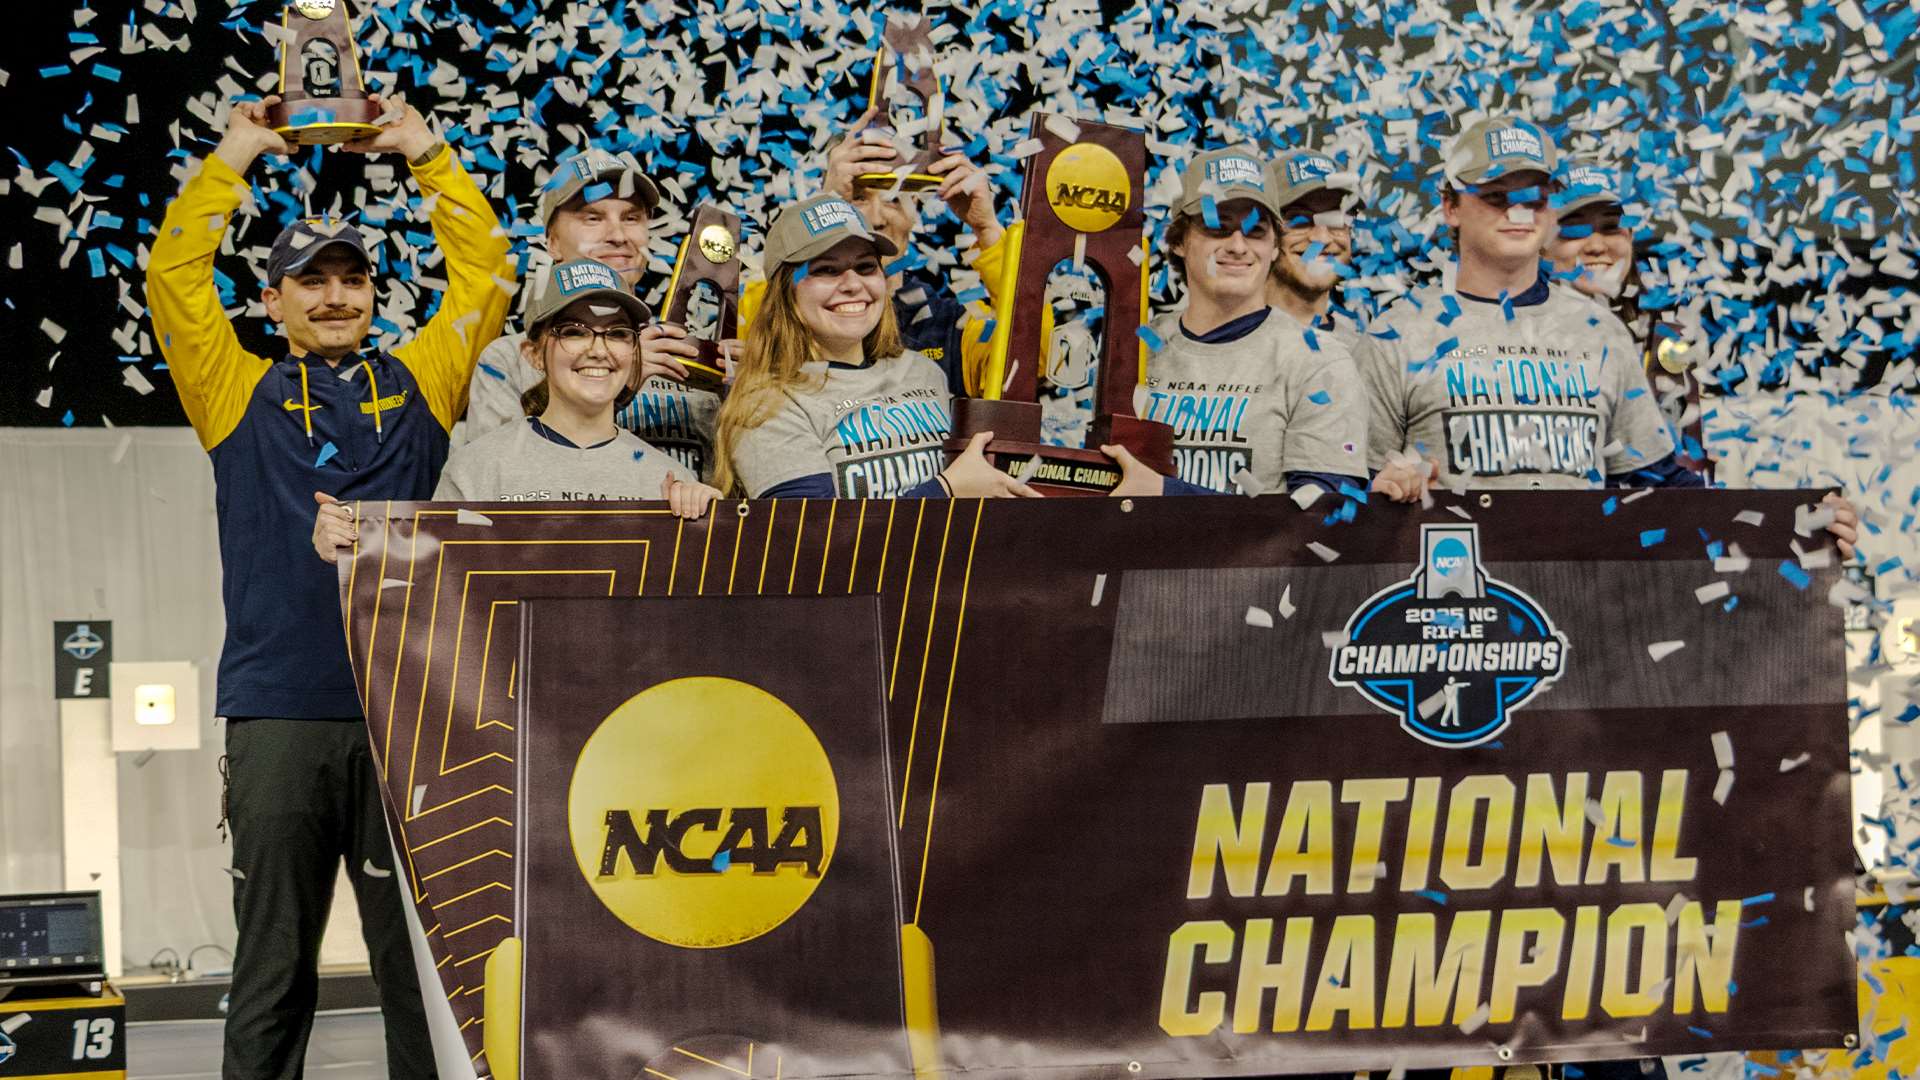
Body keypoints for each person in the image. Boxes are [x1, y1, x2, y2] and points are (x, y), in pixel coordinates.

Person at [147, 92, 512, 1077]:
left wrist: (423, 149)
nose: (335, 297)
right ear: (272, 303)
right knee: (271, 967)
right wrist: (235, 152)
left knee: (418, 971)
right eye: (310, 282)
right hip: (279, 716)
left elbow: (485, 270)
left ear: (376, 296)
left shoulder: (426, 380)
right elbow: (174, 279)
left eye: (353, 279)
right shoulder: (232, 391)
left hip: (411, 717)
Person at [1357, 117, 1705, 500]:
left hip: (1571, 542)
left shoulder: (1601, 330)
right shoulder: (1395, 335)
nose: (1518, 213)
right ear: (1451, 207)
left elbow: (1659, 481)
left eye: (1534, 199)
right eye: (1496, 197)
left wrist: (1739, 518)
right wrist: (1383, 489)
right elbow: (1349, 491)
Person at [312, 260, 720, 563]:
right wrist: (350, 541)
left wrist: (716, 524)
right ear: (533, 354)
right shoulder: (478, 468)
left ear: (633, 351)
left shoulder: (668, 480)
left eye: (617, 333)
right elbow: (434, 588)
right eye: (574, 332)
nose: (598, 349)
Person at [714, 193, 1037, 501]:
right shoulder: (765, 402)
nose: (853, 284)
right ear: (786, 292)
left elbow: (1027, 357)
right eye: (826, 270)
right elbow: (812, 532)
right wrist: (946, 488)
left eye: (866, 266)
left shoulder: (923, 372)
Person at [458, 148, 725, 480]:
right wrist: (621, 381)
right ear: (552, 242)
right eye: (592, 218)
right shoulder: (510, 360)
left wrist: (752, 394)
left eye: (631, 218)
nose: (618, 236)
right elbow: (494, 481)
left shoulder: (696, 355)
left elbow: (733, 488)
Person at [1135, 146, 1370, 497]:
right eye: (1217, 226)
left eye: (1255, 231)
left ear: (1274, 246)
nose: (1237, 246)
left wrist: (1167, 493)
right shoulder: (1138, 349)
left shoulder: (1322, 362)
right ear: (1180, 240)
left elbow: (1321, 520)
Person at [738, 107, 1015, 398]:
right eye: (857, 198)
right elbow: (751, 335)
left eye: (893, 199)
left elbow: (1030, 364)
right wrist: (822, 211)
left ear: (914, 210)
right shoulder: (795, 308)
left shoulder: (954, 326)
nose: (876, 218)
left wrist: (987, 229)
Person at [1265, 147, 1367, 352]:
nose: (1321, 238)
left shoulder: (1362, 353)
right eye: (1298, 219)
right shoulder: (1224, 341)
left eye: (1336, 219)